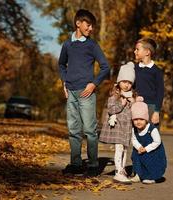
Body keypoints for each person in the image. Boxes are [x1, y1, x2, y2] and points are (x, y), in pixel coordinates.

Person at [58, 9, 110, 177]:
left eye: (92, 26)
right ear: (78, 24)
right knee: (73, 130)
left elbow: (105, 67)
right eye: (89, 25)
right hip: (71, 92)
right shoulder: (67, 44)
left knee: (89, 130)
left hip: (86, 93)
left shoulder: (92, 45)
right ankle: (76, 164)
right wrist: (64, 82)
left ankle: (94, 165)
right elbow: (61, 65)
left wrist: (93, 84)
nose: (91, 29)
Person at [99, 61, 136, 183]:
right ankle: (117, 171)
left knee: (125, 149)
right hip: (118, 127)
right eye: (124, 82)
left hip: (127, 127)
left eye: (129, 82)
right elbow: (111, 109)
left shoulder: (132, 96)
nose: (127, 85)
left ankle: (122, 169)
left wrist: (133, 102)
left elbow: (134, 112)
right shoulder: (114, 95)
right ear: (119, 82)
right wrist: (122, 103)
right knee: (119, 148)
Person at [130, 98, 167, 184]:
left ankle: (151, 177)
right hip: (140, 149)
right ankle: (138, 175)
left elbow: (157, 141)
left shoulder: (152, 129)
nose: (138, 122)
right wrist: (139, 147)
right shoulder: (134, 130)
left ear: (146, 119)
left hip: (153, 150)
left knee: (151, 163)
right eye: (135, 119)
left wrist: (146, 148)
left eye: (141, 119)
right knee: (136, 158)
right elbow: (134, 139)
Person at [134, 38, 164, 127]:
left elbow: (160, 92)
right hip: (137, 105)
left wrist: (157, 112)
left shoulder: (157, 71)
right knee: (137, 135)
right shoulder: (134, 68)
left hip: (151, 107)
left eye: (137, 49)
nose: (134, 51)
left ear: (147, 52)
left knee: (153, 136)